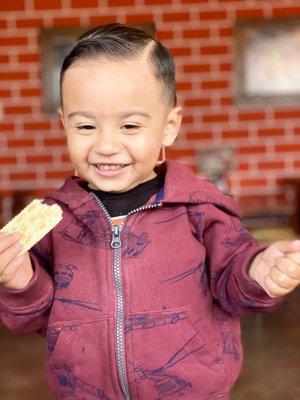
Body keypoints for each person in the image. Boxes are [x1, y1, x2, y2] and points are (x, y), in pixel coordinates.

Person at [0, 23, 299, 400]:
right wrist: (20, 282)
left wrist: (258, 272)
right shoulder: (53, 220)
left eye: (129, 125)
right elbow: (32, 318)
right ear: (64, 125)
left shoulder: (200, 210)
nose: (106, 145)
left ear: (168, 127)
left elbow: (233, 285)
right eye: (86, 125)